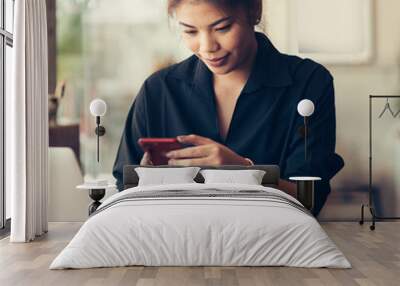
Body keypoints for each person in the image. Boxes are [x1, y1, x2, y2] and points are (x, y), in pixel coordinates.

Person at [112, 0, 344, 216]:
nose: (207, 47)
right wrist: (145, 183)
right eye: (190, 31)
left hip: (272, 246)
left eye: (222, 28)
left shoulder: (310, 82)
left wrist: (242, 170)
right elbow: (125, 185)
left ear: (254, 11)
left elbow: (310, 200)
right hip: (174, 244)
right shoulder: (158, 90)